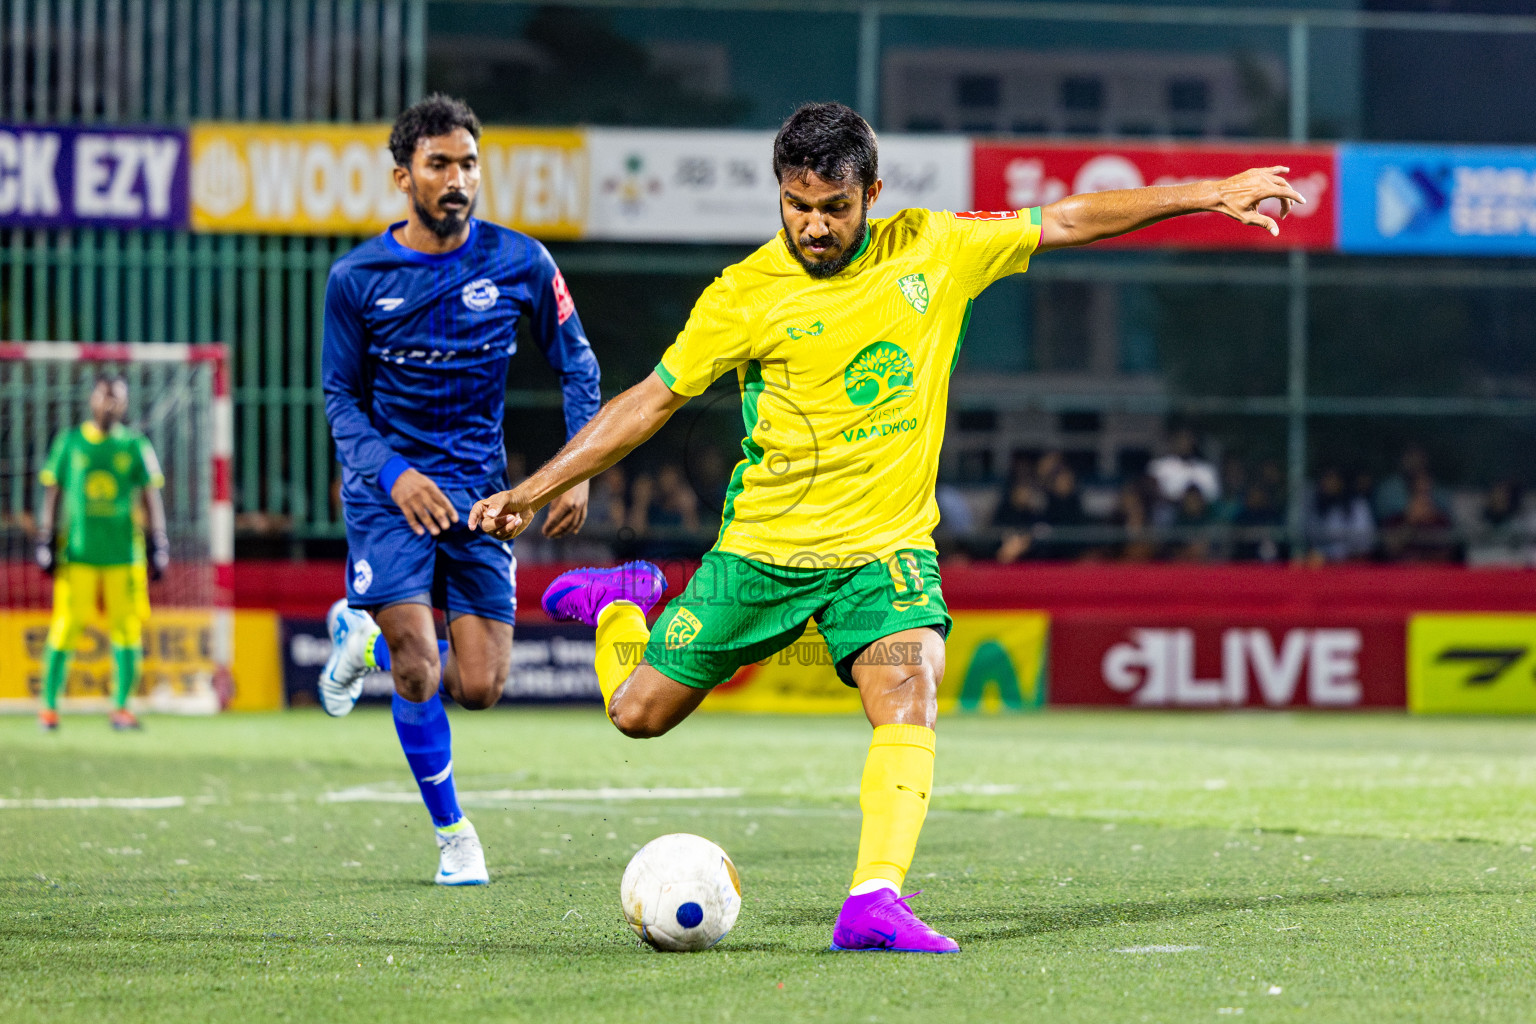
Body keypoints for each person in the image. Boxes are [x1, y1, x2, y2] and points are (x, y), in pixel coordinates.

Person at [468, 102, 1303, 951]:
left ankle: (873, 902)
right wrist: (536, 488)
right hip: (762, 552)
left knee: (909, 689)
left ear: (872, 191)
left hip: (885, 552)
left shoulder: (935, 248)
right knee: (636, 714)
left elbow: (1070, 217)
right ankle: (622, 605)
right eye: (797, 205)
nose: (815, 225)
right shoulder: (744, 294)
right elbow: (650, 402)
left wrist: (1208, 193)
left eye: (834, 207)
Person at [316, 94, 601, 886]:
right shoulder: (357, 277)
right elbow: (340, 399)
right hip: (388, 490)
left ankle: (357, 617)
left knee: (477, 687)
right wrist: (394, 474)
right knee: (415, 665)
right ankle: (454, 836)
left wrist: (574, 467)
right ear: (403, 175)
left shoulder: (522, 262)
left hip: (481, 494)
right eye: (439, 164)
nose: (457, 179)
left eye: (468, 163)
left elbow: (577, 364)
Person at [33, 375, 169, 732]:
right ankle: (48, 709)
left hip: (124, 556)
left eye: (117, 398)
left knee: (127, 632)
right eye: (105, 396)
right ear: (93, 399)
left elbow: (151, 495)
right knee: (64, 629)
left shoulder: (135, 444)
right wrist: (45, 539)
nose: (110, 404)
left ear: (125, 404)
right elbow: (52, 491)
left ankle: (121, 708)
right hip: (78, 555)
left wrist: (160, 542)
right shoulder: (70, 442)